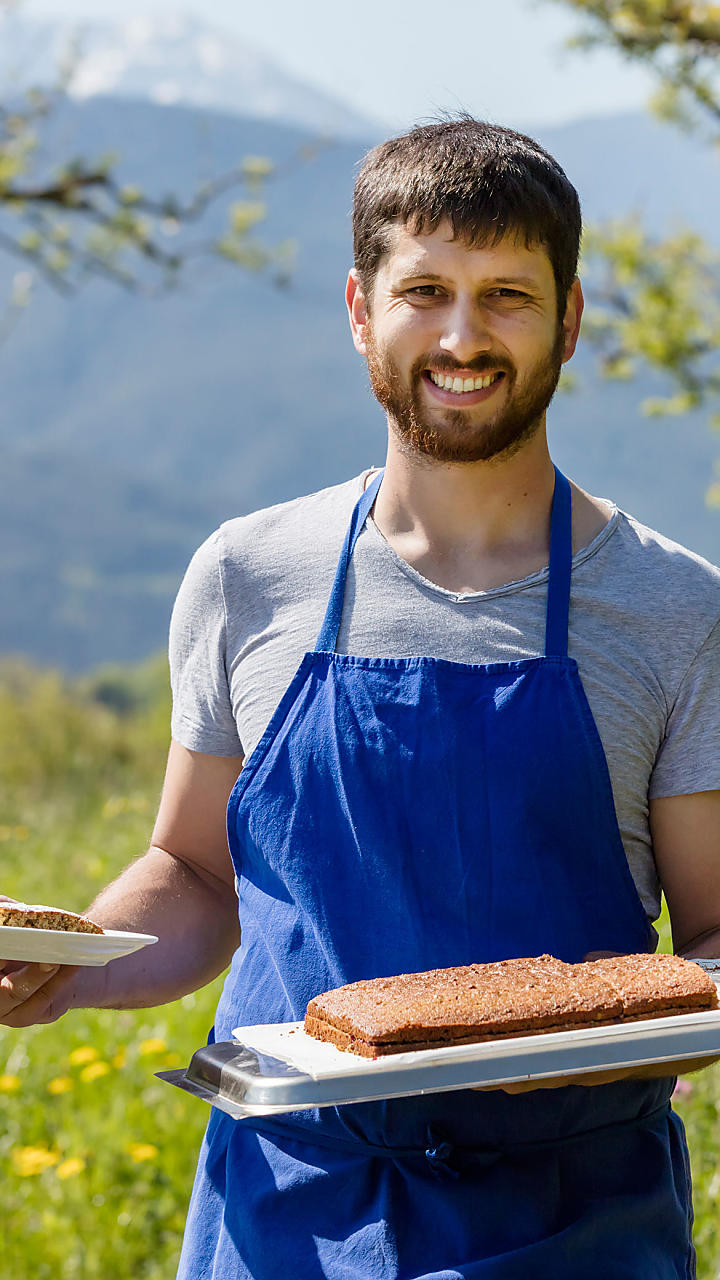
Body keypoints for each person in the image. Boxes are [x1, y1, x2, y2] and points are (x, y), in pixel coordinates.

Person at [2, 115, 720, 1279]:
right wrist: (65, 962)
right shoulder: (248, 576)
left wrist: (588, 1043)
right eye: (424, 288)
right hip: (286, 1206)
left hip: (575, 1217)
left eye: (507, 295)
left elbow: (712, 942)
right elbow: (195, 874)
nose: (462, 334)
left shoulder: (674, 610)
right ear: (357, 309)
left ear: (572, 318)